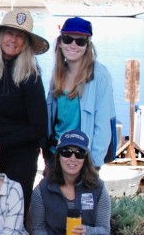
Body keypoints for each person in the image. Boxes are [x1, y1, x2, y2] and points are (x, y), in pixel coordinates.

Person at [0, 9, 49, 215]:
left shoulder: (30, 75)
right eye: (9, 33)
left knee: (13, 213)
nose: (13, 40)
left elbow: (39, 127)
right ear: (0, 35)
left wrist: (0, 144)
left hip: (20, 156)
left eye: (20, 36)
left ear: (26, 42)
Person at [45, 17, 116, 168]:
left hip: (82, 158)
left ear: (87, 45)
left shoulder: (100, 75)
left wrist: (94, 164)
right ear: (60, 42)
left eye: (80, 41)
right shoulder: (58, 73)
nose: (73, 45)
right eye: (67, 39)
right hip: (55, 154)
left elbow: (102, 125)